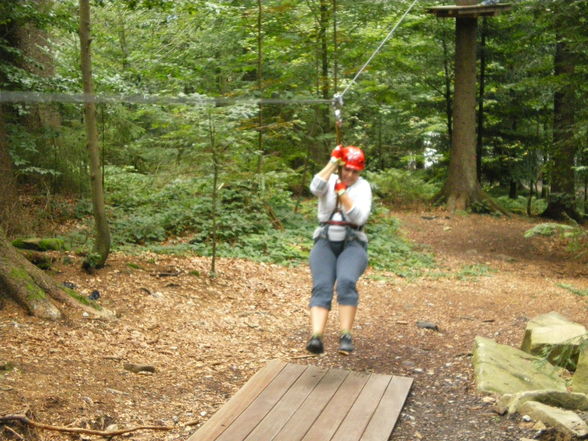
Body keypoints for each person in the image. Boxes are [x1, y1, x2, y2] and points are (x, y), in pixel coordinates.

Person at [306, 145, 372, 355]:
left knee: (345, 281)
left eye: (355, 171)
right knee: (322, 285)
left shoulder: (363, 187)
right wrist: (333, 162)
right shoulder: (330, 179)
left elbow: (359, 217)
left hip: (353, 243)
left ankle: (346, 335)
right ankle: (316, 337)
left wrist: (343, 193)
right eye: (347, 169)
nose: (350, 174)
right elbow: (315, 188)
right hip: (325, 240)